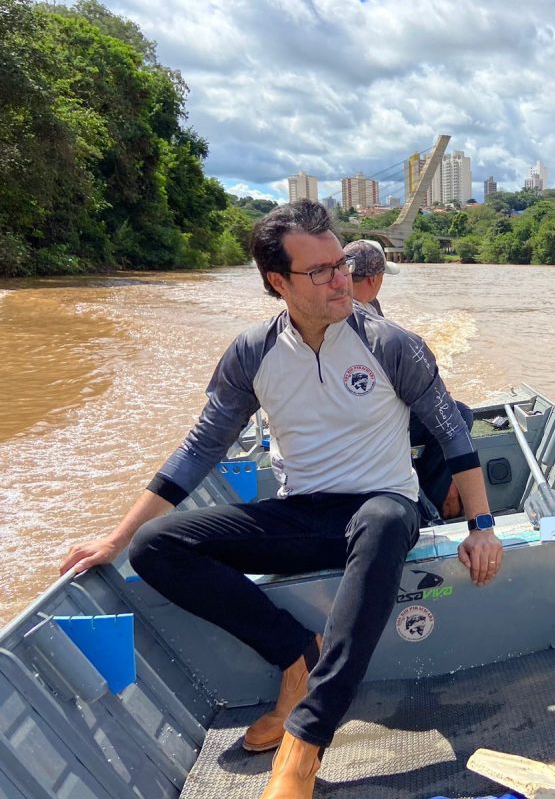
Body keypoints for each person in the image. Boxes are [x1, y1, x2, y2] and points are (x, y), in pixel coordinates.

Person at [59, 200, 503, 799]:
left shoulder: (390, 344)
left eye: (341, 263)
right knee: (157, 547)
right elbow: (198, 450)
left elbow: (453, 432)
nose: (340, 278)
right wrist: (115, 537)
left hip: (385, 507)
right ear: (278, 282)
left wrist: (481, 524)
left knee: (380, 518)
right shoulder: (253, 352)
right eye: (319, 271)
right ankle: (296, 651)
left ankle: (305, 742)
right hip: (304, 513)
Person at [344, 237, 471, 519]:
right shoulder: (367, 319)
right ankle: (430, 503)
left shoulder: (354, 306)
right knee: (458, 417)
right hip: (373, 421)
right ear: (375, 278)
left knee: (458, 412)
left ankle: (428, 492)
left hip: (359, 414)